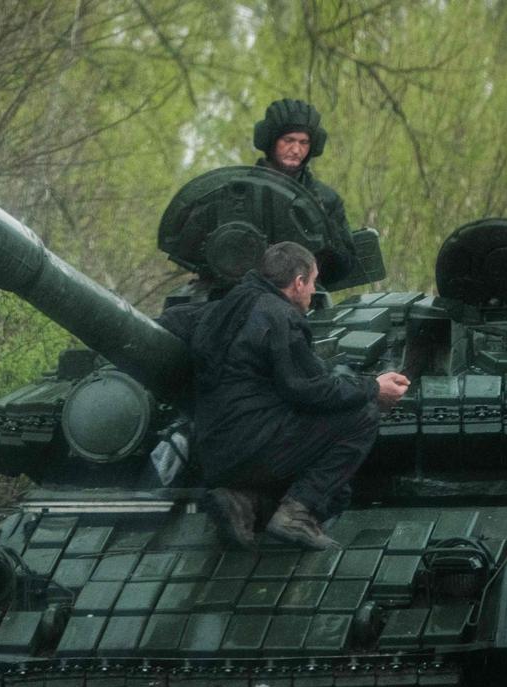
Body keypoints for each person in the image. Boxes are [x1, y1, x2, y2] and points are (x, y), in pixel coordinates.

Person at [161, 242, 409, 550]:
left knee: (337, 491)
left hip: (212, 455)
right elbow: (309, 390)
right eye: (313, 282)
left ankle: (244, 503)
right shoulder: (280, 316)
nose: (312, 292)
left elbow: (167, 324)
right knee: (362, 415)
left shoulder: (221, 308)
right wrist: (374, 388)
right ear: (299, 282)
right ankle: (296, 513)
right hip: (255, 450)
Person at [253, 99, 356, 286]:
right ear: (271, 141)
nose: (296, 150)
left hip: (305, 299)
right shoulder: (241, 193)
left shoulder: (326, 200)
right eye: (288, 140)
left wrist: (326, 230)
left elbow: (345, 265)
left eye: (304, 142)